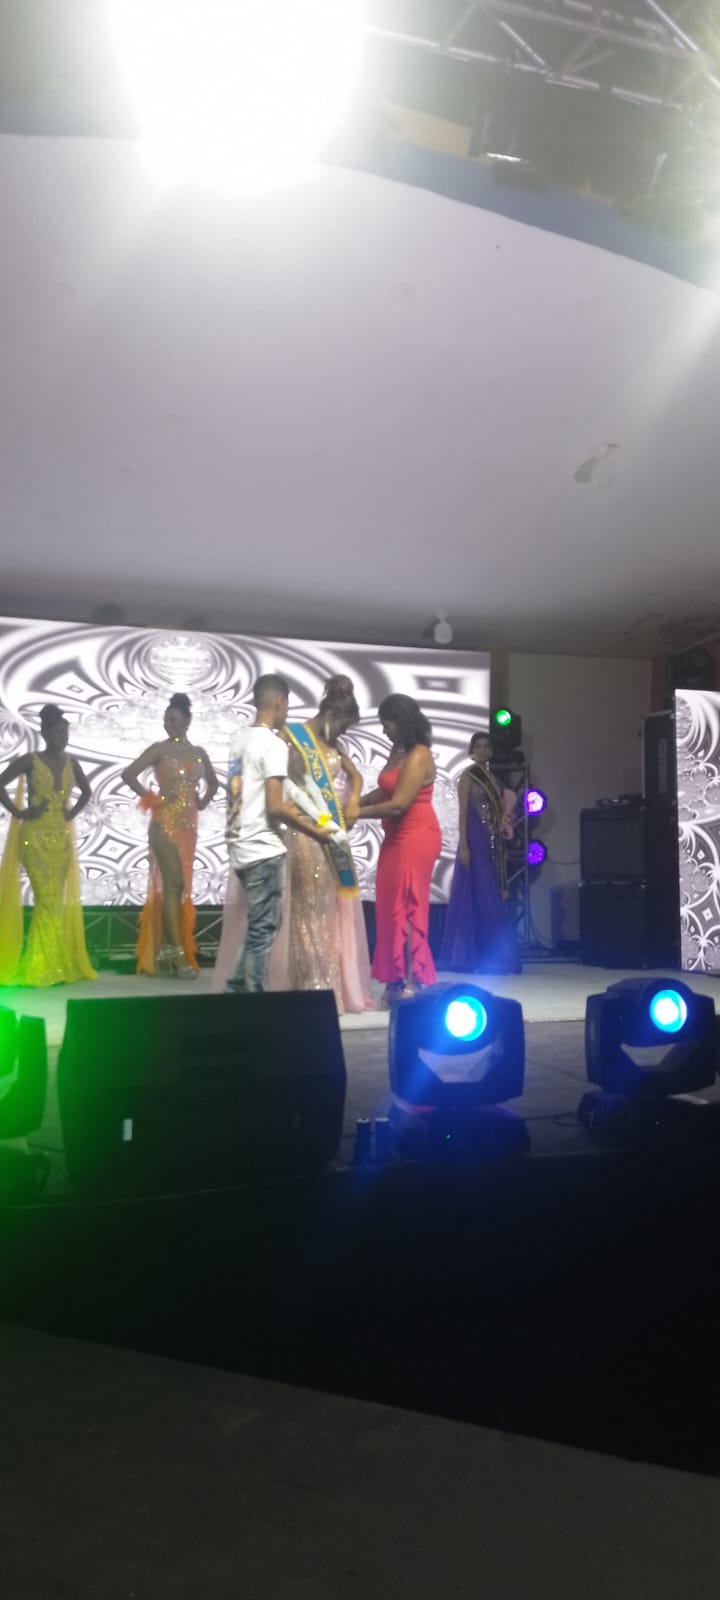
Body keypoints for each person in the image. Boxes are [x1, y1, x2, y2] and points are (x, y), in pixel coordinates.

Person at [224, 673, 333, 994]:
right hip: (263, 847)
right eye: (287, 704)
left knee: (263, 924)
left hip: (240, 843)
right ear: (279, 702)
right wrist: (316, 832)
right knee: (263, 928)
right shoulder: (272, 745)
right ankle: (254, 1000)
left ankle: (235, 989)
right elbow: (275, 805)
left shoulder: (239, 740)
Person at [281, 675, 373, 1013]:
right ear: (331, 715)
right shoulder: (293, 738)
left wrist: (354, 800)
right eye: (344, 727)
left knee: (328, 911)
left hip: (330, 832)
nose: (344, 734)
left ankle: (326, 984)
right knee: (308, 909)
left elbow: (355, 776)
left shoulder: (336, 747)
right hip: (305, 831)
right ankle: (312, 986)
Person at [121, 693, 218, 978]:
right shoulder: (159, 749)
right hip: (163, 824)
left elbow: (213, 783)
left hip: (188, 829)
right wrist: (154, 799)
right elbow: (129, 774)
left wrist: (201, 802)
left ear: (187, 721)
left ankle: (168, 952)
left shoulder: (199, 753)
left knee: (179, 888)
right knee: (173, 885)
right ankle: (178, 957)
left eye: (174, 720)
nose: (169, 725)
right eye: (166, 720)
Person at [0, 704, 96, 986]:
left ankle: (50, 963)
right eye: (56, 732)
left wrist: (71, 813)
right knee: (46, 898)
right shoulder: (30, 760)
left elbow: (87, 791)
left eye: (65, 732)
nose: (61, 737)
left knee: (53, 900)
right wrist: (19, 812)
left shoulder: (72, 763)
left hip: (60, 840)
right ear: (44, 733)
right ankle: (42, 965)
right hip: (34, 837)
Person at [356, 693, 442, 1006]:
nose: (384, 731)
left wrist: (354, 813)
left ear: (401, 722)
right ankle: (395, 979)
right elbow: (386, 790)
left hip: (416, 834)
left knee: (407, 908)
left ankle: (411, 981)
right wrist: (354, 802)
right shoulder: (399, 750)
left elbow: (398, 804)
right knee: (390, 908)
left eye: (387, 724)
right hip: (395, 836)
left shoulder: (419, 754)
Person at [440, 731, 520, 974]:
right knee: (479, 892)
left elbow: (500, 809)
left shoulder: (494, 779)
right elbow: (463, 812)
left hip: (492, 840)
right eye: (478, 747)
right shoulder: (468, 776)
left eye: (486, 746)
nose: (483, 750)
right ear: (471, 751)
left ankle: (489, 955)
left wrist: (506, 819)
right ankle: (471, 956)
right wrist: (464, 845)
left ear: (491, 751)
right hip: (475, 837)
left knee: (489, 892)